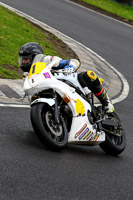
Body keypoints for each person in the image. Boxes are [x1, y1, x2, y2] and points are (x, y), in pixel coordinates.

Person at [19, 42, 114, 113]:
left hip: (66, 83)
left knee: (89, 75)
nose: (23, 63)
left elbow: (72, 61)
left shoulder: (47, 60)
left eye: (26, 59)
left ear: (35, 56)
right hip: (47, 91)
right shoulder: (28, 76)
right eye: (22, 60)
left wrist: (70, 66)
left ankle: (106, 101)